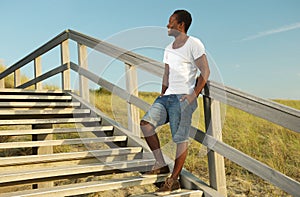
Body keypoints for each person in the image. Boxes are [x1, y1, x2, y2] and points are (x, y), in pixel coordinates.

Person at [140, 9, 210, 195]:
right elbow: (167, 73)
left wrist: (193, 95)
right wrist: (162, 93)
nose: (167, 25)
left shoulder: (194, 44)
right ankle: (161, 164)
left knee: (180, 139)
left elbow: (205, 72)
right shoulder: (168, 49)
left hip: (183, 98)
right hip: (167, 97)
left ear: (181, 25)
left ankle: (174, 180)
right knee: (146, 124)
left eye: (170, 22)